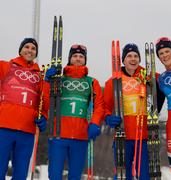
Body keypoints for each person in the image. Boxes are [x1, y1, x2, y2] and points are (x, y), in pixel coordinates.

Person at [104, 43, 165, 180]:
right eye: (129, 56)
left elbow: (163, 85)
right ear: (123, 60)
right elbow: (105, 107)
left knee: (145, 175)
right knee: (123, 175)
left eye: (136, 56)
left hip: (145, 137)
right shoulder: (113, 82)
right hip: (123, 137)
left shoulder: (147, 77)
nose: (133, 59)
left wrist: (156, 107)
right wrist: (108, 118)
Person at [46, 44, 104, 180]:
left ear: (85, 60)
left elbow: (99, 105)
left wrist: (95, 124)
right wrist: (47, 81)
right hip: (58, 134)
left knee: (75, 176)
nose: (78, 59)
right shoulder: (59, 79)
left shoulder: (91, 82)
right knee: (54, 175)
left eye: (81, 57)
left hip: (81, 136)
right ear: (69, 58)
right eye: (75, 56)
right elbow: (46, 100)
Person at [0, 38, 49, 180]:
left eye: (33, 48)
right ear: (20, 49)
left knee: (21, 173)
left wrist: (44, 116)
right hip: (4, 126)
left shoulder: (40, 75)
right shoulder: (6, 66)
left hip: (27, 129)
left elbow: (43, 102)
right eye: (27, 47)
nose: (30, 50)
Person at [155, 37, 171, 180]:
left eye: (167, 51)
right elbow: (156, 105)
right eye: (161, 54)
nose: (165, 55)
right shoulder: (161, 79)